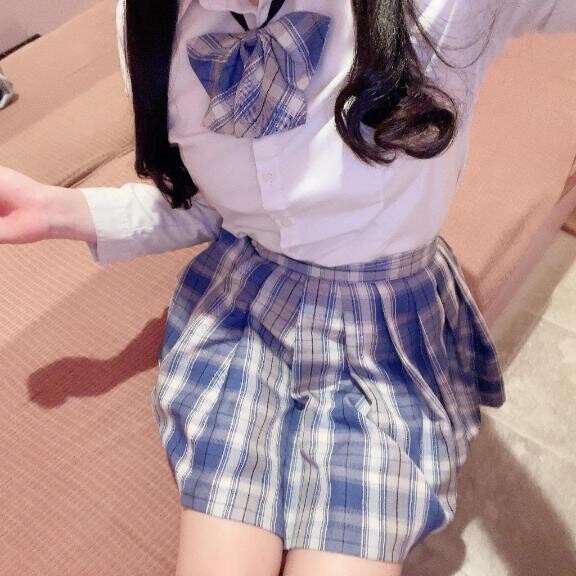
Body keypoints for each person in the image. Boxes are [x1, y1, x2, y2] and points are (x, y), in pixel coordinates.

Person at [0, 1, 574, 574]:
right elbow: (214, 206)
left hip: (384, 340)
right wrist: (60, 211)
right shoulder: (151, 21)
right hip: (247, 318)